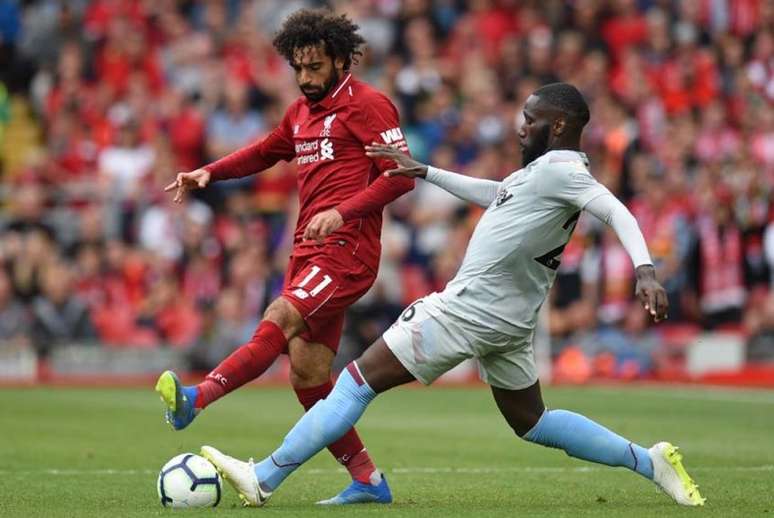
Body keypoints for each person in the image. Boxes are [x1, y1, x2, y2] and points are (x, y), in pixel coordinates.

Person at [199, 83, 705, 508]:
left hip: (468, 311)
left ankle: (263, 477)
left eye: (529, 119)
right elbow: (495, 193)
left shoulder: (563, 172)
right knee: (532, 421)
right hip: (509, 322)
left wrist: (644, 270)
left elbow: (617, 210)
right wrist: (424, 171)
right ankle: (648, 460)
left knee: (353, 384)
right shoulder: (541, 173)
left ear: (557, 126)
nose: (519, 126)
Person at [155, 9, 415, 505]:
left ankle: (196, 398)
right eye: (298, 69)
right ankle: (367, 480)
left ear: (341, 61)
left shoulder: (370, 105)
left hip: (347, 252)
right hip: (306, 250)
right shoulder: (300, 113)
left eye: (315, 68)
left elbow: (402, 175)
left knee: (279, 317)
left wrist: (344, 212)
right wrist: (210, 171)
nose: (305, 79)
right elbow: (266, 151)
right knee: (310, 376)